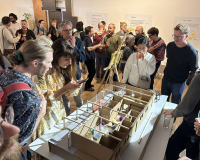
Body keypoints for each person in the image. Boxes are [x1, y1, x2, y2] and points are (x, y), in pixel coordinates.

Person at [0, 40, 52, 160]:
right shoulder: (29, 98)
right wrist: (40, 115)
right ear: (35, 63)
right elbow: (21, 138)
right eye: (49, 62)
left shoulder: (5, 73)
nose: (50, 66)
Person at [32, 38, 81, 139]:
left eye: (71, 59)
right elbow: (44, 98)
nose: (69, 62)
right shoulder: (43, 71)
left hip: (58, 111)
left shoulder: (61, 69)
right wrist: (66, 88)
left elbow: (68, 94)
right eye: (66, 59)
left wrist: (73, 87)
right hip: (45, 117)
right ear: (56, 56)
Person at [163, 73, 200, 160]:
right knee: (192, 154)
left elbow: (187, 105)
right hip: (196, 124)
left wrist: (174, 112)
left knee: (171, 148)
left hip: (193, 124)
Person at [161, 24, 199, 104]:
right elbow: (169, 59)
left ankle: (172, 117)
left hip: (178, 82)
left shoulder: (192, 52)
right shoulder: (170, 45)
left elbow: (193, 69)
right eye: (174, 36)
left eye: (179, 36)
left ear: (186, 36)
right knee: (163, 101)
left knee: (175, 104)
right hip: (166, 79)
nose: (176, 39)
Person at [58, 20, 85, 109]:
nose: (69, 32)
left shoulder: (77, 41)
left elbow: (82, 58)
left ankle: (80, 118)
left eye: (70, 29)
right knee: (65, 100)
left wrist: (74, 47)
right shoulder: (58, 43)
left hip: (75, 74)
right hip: (62, 75)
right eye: (66, 30)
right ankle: (67, 117)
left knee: (78, 99)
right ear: (61, 32)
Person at [84, 26, 103, 91]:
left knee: (91, 72)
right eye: (92, 31)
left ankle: (88, 84)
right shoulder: (88, 39)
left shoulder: (85, 38)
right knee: (92, 72)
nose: (93, 32)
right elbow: (89, 48)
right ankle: (87, 86)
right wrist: (98, 45)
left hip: (88, 58)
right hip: (89, 59)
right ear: (89, 32)